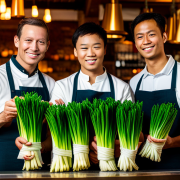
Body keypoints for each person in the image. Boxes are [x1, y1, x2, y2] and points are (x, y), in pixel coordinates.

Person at [50, 22, 134, 167]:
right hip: (70, 166)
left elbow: (131, 130)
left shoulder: (122, 88)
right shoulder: (62, 87)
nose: (90, 53)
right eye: (84, 48)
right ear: (75, 51)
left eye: (96, 47)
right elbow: (57, 132)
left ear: (105, 49)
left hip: (112, 167)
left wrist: (110, 148)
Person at [0, 18, 55, 171]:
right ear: (16, 41)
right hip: (3, 169)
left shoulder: (51, 84)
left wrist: (41, 147)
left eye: (41, 42)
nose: (34, 47)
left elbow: (52, 138)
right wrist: (4, 116)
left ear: (47, 46)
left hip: (41, 172)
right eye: (28, 40)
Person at [130, 13, 180, 169]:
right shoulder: (134, 82)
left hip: (176, 168)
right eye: (139, 37)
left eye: (151, 34)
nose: (146, 41)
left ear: (164, 36)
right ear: (136, 43)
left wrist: (173, 142)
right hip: (141, 170)